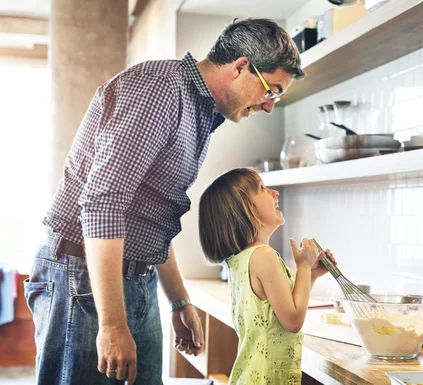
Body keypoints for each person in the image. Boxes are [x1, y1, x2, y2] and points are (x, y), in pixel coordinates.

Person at [24, 18, 304, 385]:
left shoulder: (199, 113)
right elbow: (103, 204)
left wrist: (179, 300)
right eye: (272, 91)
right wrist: (112, 323)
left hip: (134, 281)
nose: (269, 106)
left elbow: (151, 218)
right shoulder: (161, 90)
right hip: (83, 280)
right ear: (240, 67)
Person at [198, 167, 336, 385]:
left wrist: (311, 275)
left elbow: (281, 307)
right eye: (262, 188)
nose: (274, 193)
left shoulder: (243, 259)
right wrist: (302, 266)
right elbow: (292, 320)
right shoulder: (264, 256)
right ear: (246, 210)